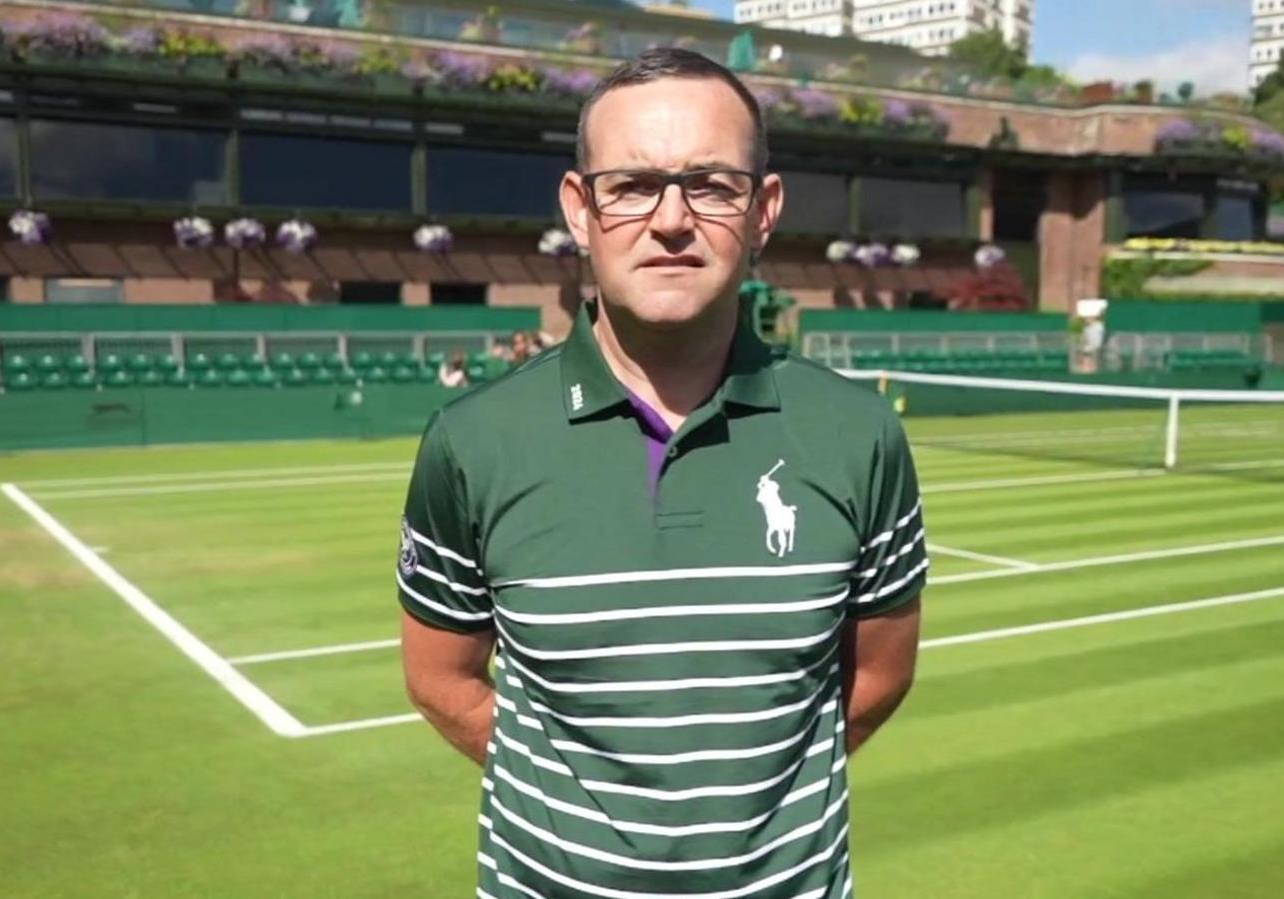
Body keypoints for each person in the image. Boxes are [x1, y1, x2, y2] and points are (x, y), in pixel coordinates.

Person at [395, 47, 924, 898]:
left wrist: (753, 798)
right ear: (580, 208)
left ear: (764, 211)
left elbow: (880, 675)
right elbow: (439, 678)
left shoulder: (859, 433)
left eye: (712, 184)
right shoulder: (471, 440)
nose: (671, 219)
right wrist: (571, 800)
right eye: (633, 185)